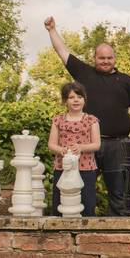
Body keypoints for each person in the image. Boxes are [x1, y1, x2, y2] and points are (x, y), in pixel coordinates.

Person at [44, 16, 130, 215]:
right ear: (95, 58)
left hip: (117, 144)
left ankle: (118, 233)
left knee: (117, 190)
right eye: (101, 58)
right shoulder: (85, 73)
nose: (105, 61)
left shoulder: (126, 80)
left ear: (114, 58)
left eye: (109, 58)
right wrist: (52, 30)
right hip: (85, 145)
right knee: (80, 188)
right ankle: (80, 228)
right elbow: (62, 52)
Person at [47, 82, 101, 216]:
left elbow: (96, 144)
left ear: (84, 99)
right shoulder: (57, 120)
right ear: (65, 101)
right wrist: (62, 150)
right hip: (62, 168)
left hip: (86, 169)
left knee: (87, 204)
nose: (76, 100)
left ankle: (87, 235)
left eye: (79, 97)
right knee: (61, 205)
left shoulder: (91, 120)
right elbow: (51, 145)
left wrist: (81, 147)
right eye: (71, 97)